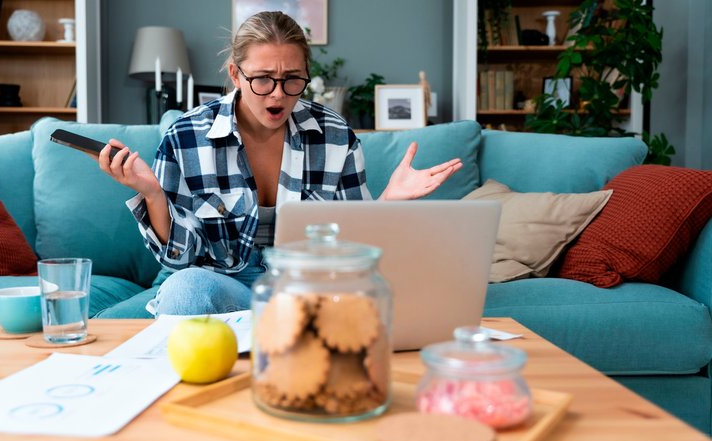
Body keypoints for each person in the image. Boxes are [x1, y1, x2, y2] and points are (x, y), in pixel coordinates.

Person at [97, 11, 463, 317]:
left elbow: (353, 251)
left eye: (292, 80)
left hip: (308, 289)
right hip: (224, 285)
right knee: (185, 291)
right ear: (235, 74)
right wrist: (153, 195)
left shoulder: (335, 135)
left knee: (387, 298)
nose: (277, 94)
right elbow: (182, 260)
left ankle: (268, 335)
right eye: (262, 79)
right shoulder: (185, 136)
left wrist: (388, 204)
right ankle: (276, 334)